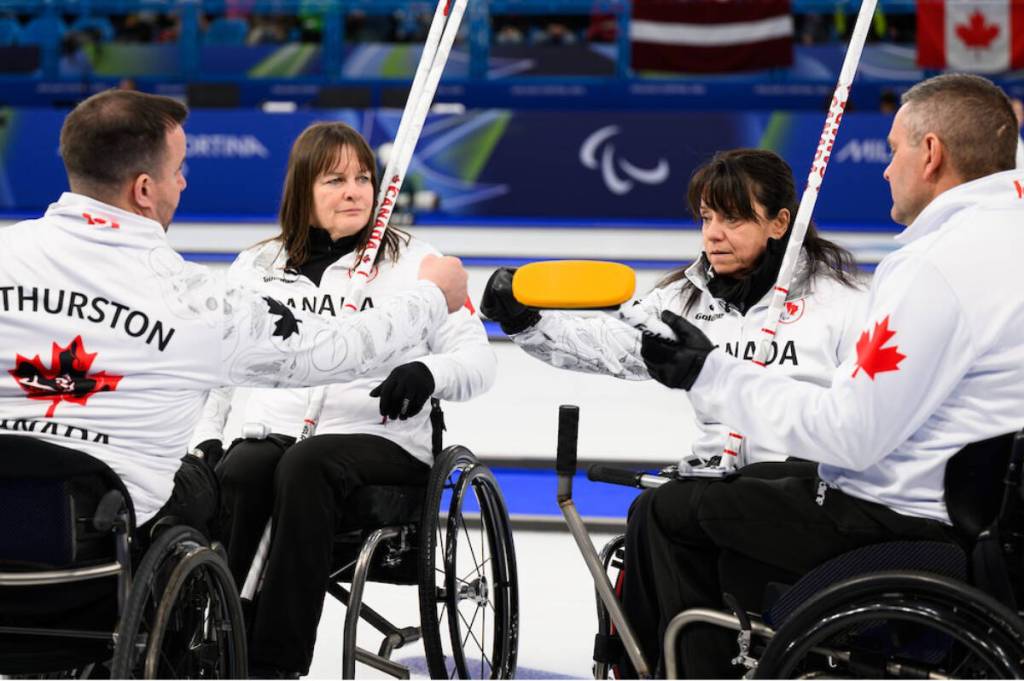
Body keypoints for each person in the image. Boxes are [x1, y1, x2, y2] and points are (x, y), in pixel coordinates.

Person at [633, 73, 1024, 676]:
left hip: (905, 515)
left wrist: (711, 375)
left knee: (671, 510)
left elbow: (852, 434)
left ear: (931, 154)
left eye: (894, 150)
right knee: (762, 479)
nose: (886, 169)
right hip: (992, 509)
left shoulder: (934, 266)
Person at [0, 89, 468, 546]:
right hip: (113, 524)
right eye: (177, 170)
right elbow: (325, 352)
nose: (182, 182)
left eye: (362, 178)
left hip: (11, 510)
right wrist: (431, 298)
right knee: (222, 478)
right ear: (144, 189)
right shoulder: (190, 300)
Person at [191, 122, 495, 678]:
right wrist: (210, 434)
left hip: (381, 444)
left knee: (308, 463)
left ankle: (272, 663)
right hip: (278, 435)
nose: (355, 191)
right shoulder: (257, 267)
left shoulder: (419, 265)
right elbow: (221, 368)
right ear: (303, 191)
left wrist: (428, 371)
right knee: (246, 466)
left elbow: (479, 363)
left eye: (363, 178)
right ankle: (219, 641)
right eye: (335, 179)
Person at [481, 148, 867, 467]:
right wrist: (525, 320)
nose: (713, 233)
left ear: (779, 223)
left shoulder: (843, 303)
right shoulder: (684, 300)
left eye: (732, 218)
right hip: (716, 483)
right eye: (706, 218)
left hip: (807, 491)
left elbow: (871, 416)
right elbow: (604, 347)